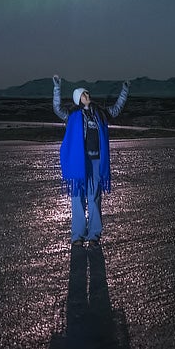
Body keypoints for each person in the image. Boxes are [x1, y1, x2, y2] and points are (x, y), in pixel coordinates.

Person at [52, 74, 129, 246]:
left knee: (94, 197)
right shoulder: (72, 116)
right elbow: (57, 108)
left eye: (87, 93)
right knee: (77, 196)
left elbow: (116, 109)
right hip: (79, 162)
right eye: (84, 94)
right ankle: (78, 235)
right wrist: (57, 87)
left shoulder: (99, 114)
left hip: (96, 161)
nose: (88, 95)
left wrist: (124, 90)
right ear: (78, 99)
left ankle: (94, 235)